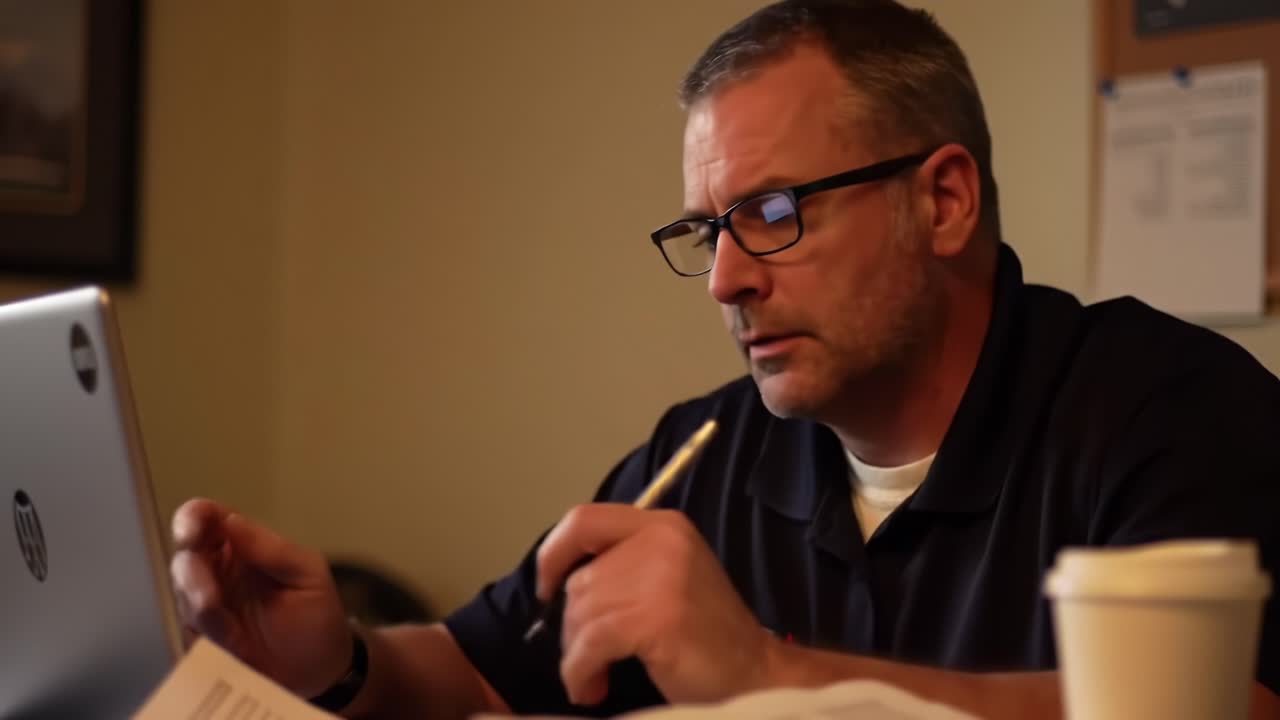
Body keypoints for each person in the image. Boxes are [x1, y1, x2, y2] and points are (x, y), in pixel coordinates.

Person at [170, 1, 1280, 718]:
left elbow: (1218, 709)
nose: (725, 279)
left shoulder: (1163, 409)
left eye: (774, 212)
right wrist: (339, 661)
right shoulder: (705, 453)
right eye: (708, 230)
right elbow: (474, 674)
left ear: (942, 200)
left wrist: (768, 677)